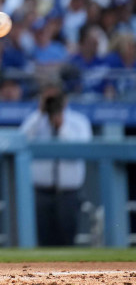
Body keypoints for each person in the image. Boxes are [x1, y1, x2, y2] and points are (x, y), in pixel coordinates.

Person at [19, 84, 92, 246]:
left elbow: (81, 148)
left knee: (67, 239)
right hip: (41, 192)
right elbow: (20, 140)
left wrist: (61, 126)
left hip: (68, 192)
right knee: (41, 240)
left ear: (64, 99)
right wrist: (40, 113)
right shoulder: (36, 120)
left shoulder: (78, 121)